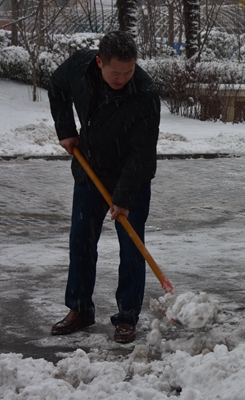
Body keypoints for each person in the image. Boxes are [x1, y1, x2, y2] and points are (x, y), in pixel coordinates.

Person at [48, 31, 161, 343]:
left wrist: (123, 198)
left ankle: (127, 316)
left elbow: (142, 154)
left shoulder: (145, 92)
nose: (123, 78)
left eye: (129, 71)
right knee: (80, 242)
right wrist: (66, 130)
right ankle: (80, 309)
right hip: (90, 169)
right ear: (99, 62)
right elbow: (57, 88)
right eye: (116, 72)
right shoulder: (80, 67)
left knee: (131, 247)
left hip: (131, 177)